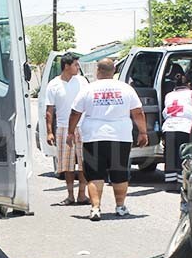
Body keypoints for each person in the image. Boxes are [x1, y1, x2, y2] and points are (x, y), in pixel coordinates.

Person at [68, 59, 148, 221]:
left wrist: (70, 132)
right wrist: (143, 132)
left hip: (94, 137)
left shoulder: (89, 89)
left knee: (95, 175)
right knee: (119, 173)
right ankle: (120, 207)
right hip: (120, 137)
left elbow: (75, 112)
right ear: (114, 71)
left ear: (98, 71)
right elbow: (138, 112)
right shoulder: (126, 89)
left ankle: (96, 208)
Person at [45, 53, 90, 205]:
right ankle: (70, 195)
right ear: (66, 66)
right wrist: (49, 132)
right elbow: (49, 110)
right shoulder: (53, 85)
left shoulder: (82, 81)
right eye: (76, 65)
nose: (78, 68)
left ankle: (82, 194)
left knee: (84, 162)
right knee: (67, 164)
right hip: (63, 128)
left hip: (82, 127)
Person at [161, 72, 192, 189]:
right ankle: (182, 183)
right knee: (185, 155)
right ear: (189, 83)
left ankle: (170, 183)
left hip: (169, 126)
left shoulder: (169, 95)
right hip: (186, 127)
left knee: (170, 156)